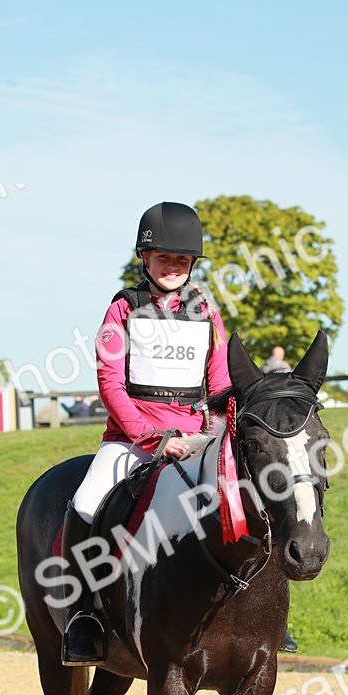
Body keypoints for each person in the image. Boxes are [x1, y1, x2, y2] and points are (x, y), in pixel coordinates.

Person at [61, 201, 232, 665]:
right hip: (131, 442)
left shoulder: (206, 314)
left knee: (250, 497)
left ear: (192, 264)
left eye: (182, 260)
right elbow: (110, 384)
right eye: (164, 259)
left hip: (196, 439)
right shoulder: (122, 310)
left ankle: (263, 613)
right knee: (86, 502)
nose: (173, 267)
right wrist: (152, 438)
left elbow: (219, 383)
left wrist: (218, 433)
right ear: (145, 259)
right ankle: (83, 615)